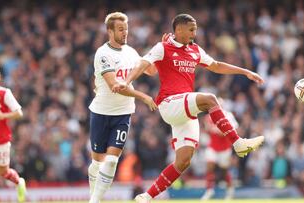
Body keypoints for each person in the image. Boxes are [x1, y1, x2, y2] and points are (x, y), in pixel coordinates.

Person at [113, 14, 265, 203]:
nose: (195, 32)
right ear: (179, 30)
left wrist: (245, 71)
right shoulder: (163, 47)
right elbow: (143, 64)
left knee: (183, 161)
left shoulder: (195, 50)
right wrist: (126, 82)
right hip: (169, 103)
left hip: (184, 111)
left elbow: (216, 65)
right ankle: (238, 143)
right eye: (191, 29)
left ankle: (146, 196)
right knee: (210, 98)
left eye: (195, 29)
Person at [87, 12, 158, 203]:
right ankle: (94, 195)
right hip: (101, 112)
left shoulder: (131, 52)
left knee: (111, 162)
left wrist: (157, 53)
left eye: (126, 29)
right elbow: (115, 86)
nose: (125, 33)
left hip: (123, 114)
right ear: (110, 31)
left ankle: (94, 201)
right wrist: (142, 96)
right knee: (97, 162)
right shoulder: (103, 54)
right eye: (120, 29)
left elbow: (151, 70)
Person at [0, 64, 26, 202]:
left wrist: (3, 116)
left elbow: (19, 113)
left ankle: (19, 182)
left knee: (4, 172)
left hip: (1, 140)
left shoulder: (4, 93)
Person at [201, 99, 237, 200]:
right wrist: (215, 129)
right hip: (212, 146)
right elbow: (208, 129)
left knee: (224, 170)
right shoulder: (209, 117)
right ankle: (209, 190)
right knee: (209, 166)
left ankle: (230, 190)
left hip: (225, 147)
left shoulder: (228, 116)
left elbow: (227, 132)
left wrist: (215, 129)